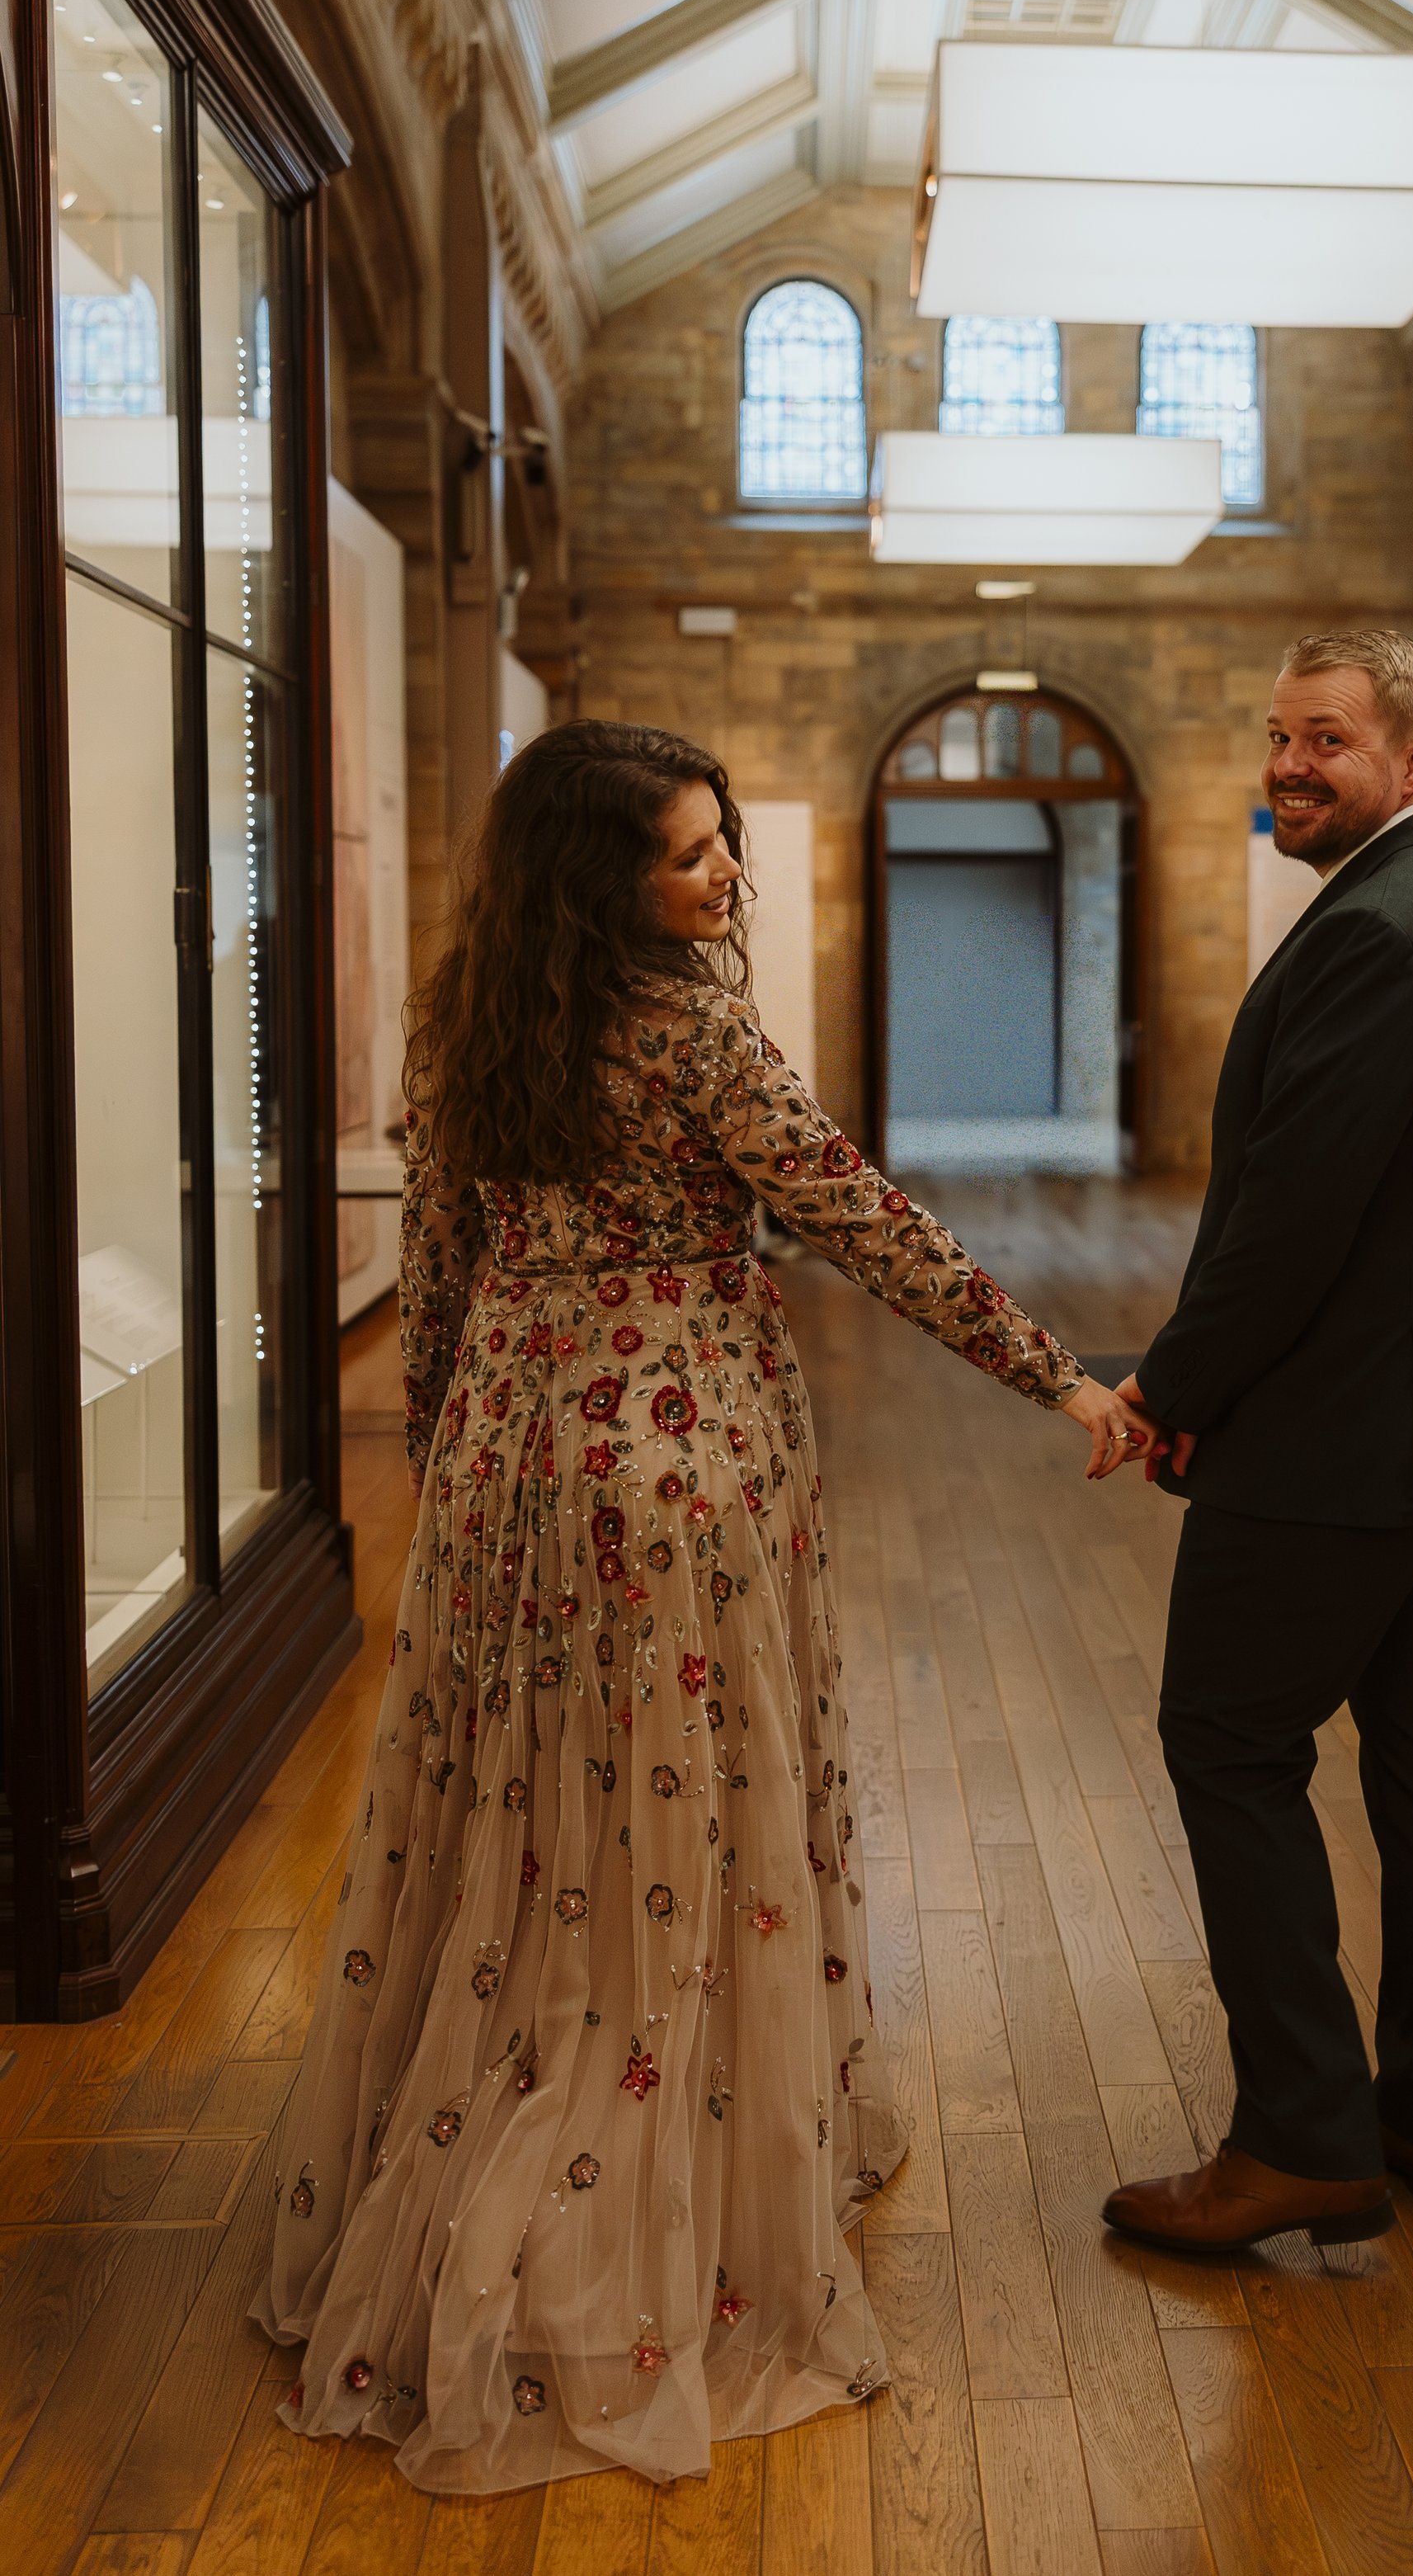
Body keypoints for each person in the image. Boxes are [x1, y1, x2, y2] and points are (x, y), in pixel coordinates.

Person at [256, 722, 1148, 2491]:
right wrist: (1064, 1380)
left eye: (722, 837)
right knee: (677, 1797)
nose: (724, 871)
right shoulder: (690, 1027)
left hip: (519, 1452)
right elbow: (861, 1217)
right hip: (676, 1463)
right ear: (607, 883)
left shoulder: (469, 1023)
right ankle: (645, 2157)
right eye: (688, 853)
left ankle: (506, 2086)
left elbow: (439, 1266)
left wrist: (445, 1440)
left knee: (524, 1803)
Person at [1104, 629, 1413, 2256]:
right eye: (1279, 736)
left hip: (1345, 1441)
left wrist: (1173, 1386)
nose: (1291, 765)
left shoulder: (1383, 931)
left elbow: (1290, 1220)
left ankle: (1300, 2132)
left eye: (1329, 742)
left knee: (1228, 1743)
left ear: (1412, 760)